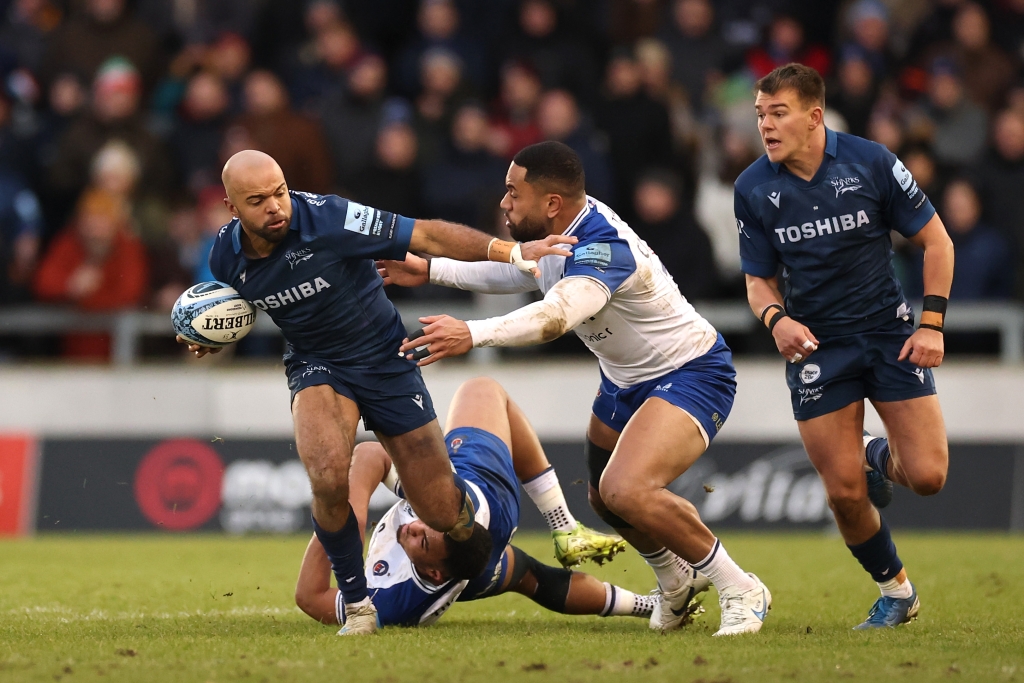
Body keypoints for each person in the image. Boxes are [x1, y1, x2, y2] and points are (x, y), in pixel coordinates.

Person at [177, 149, 579, 635]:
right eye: (258, 200)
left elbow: (427, 234)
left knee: (440, 510)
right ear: (232, 207)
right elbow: (238, 306)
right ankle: (358, 604)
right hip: (316, 363)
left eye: (279, 192)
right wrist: (209, 336)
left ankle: (477, 547)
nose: (276, 207)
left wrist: (511, 252)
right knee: (328, 475)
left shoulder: (330, 218)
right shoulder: (224, 255)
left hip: (385, 360)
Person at [378, 141, 770, 637]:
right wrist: (433, 269)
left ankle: (741, 588)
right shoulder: (559, 234)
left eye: (513, 192)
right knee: (606, 499)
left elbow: (556, 316)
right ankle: (676, 580)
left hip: (691, 372)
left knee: (627, 488)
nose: (504, 202)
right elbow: (520, 271)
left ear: (552, 203)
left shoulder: (602, 247)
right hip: (625, 380)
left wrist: (472, 332)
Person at [735, 64, 954, 629]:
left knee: (928, 476)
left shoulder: (871, 162)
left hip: (888, 335)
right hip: (818, 349)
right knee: (845, 493)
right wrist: (776, 319)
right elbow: (758, 280)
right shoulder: (753, 188)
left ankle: (874, 452)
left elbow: (937, 241)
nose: (765, 126)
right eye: (760, 115)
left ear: (814, 117)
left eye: (778, 113)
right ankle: (897, 593)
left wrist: (931, 324)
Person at [294, 377, 643, 628]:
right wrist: (352, 517)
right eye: (425, 522)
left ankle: (643, 602)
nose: (414, 525)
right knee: (483, 389)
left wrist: (338, 524)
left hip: (471, 557)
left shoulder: (391, 602)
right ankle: (572, 534)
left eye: (422, 538)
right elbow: (371, 454)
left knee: (528, 577)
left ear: (434, 572)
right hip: (491, 506)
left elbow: (309, 597)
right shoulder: (443, 521)